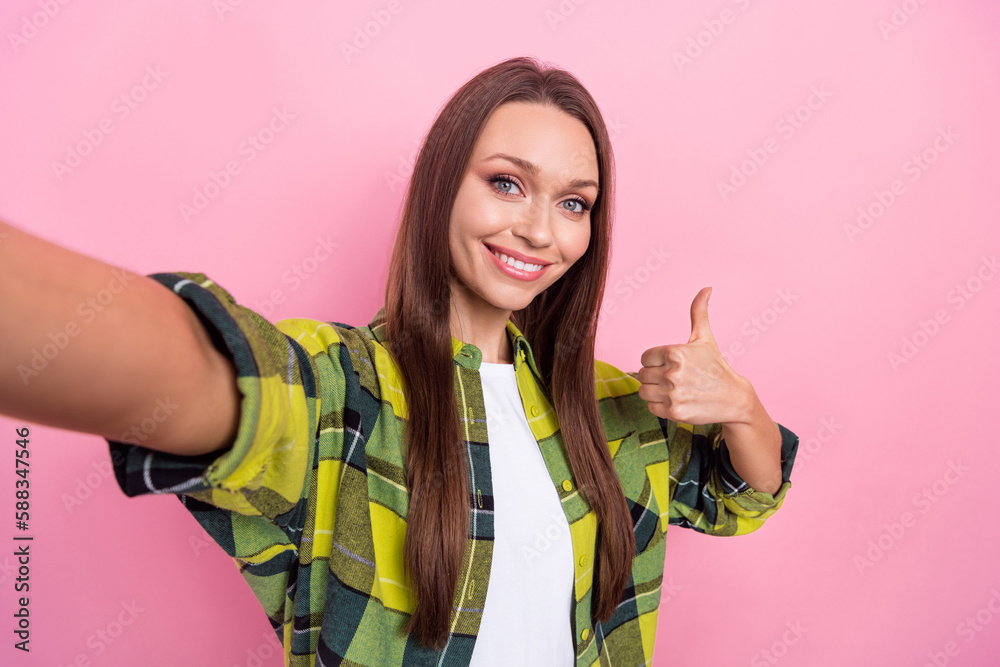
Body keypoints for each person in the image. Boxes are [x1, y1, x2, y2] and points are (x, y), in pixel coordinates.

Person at [0, 56, 799, 666]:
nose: (540, 231)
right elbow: (212, 378)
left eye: (573, 203)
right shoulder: (346, 390)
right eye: (506, 183)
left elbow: (745, 497)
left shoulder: (607, 406)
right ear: (442, 184)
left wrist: (742, 406)